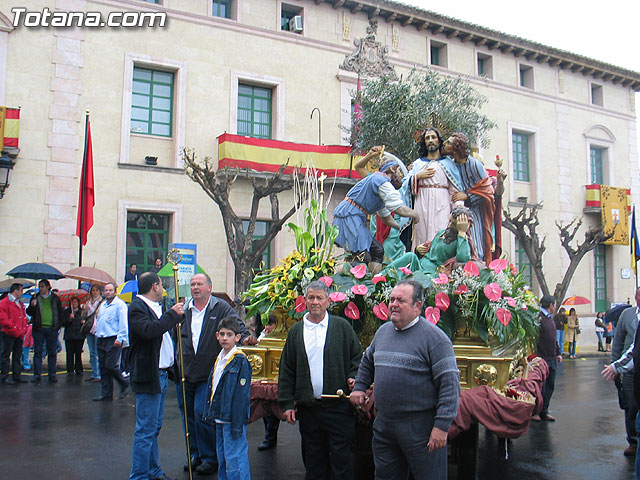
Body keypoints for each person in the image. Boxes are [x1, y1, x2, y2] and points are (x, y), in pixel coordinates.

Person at [351, 280, 460, 480]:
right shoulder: (383, 332)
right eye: (391, 299)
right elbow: (367, 362)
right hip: (384, 424)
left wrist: (441, 426)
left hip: (421, 427)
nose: (393, 304)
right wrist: (359, 387)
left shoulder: (436, 339)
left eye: (400, 300)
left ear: (417, 306)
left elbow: (449, 385)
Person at [278, 280, 362, 480]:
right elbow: (287, 369)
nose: (315, 302)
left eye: (319, 298)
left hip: (339, 408)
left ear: (328, 301)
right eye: (311, 297)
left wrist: (354, 377)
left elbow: (358, 358)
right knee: (314, 463)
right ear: (305, 301)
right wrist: (287, 404)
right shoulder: (296, 332)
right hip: (310, 410)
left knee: (341, 463)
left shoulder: (342, 327)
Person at [177, 273, 256, 476]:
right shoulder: (184, 308)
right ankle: (194, 453)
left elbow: (236, 324)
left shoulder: (219, 307)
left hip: (208, 373)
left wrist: (246, 338)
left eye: (199, 284)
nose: (195, 288)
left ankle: (209, 457)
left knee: (203, 414)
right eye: (193, 284)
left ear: (209, 287)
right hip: (185, 371)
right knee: (188, 415)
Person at [128, 272, 184, 480]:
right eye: (161, 285)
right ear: (154, 286)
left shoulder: (151, 307)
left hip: (159, 374)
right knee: (145, 429)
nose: (162, 289)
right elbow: (149, 331)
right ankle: (139, 475)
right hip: (147, 374)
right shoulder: (137, 308)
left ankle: (153, 470)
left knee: (154, 427)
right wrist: (171, 315)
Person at [333, 156, 420, 273]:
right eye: (399, 171)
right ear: (392, 169)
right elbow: (399, 209)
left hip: (352, 217)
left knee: (377, 251)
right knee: (361, 256)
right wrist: (415, 214)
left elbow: (386, 219)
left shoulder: (378, 185)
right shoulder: (382, 181)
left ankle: (374, 283)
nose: (401, 176)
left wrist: (401, 228)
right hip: (349, 216)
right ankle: (339, 281)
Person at [441, 132, 505, 264]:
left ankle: (477, 267)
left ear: (457, 147)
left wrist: (468, 196)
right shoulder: (450, 164)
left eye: (448, 143)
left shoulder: (475, 165)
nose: (444, 144)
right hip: (455, 210)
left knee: (475, 244)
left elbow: (488, 191)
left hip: (475, 211)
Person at [202, 316, 252, 480]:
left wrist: (238, 421)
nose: (225, 338)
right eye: (222, 334)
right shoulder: (220, 357)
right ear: (217, 335)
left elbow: (241, 395)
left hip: (232, 418)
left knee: (235, 459)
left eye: (229, 335)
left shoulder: (239, 360)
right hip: (220, 416)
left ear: (238, 337)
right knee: (223, 457)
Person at [403, 127, 464, 251]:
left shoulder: (449, 164)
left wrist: (459, 207)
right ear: (424, 142)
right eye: (427, 138)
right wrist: (417, 177)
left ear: (439, 141)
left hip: (442, 204)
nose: (430, 140)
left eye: (433, 137)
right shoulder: (417, 164)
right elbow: (404, 186)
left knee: (441, 232)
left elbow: (455, 190)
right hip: (422, 205)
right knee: (421, 236)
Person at [383, 206, 472, 279]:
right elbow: (430, 250)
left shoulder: (461, 240)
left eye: (453, 224)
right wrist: (419, 249)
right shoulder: (442, 232)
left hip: (431, 274)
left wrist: (462, 232)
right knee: (410, 256)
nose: (449, 225)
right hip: (420, 266)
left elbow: (463, 258)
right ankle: (383, 275)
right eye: (449, 221)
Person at [611, 289, 640, 456]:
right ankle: (633, 440)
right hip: (629, 372)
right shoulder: (627, 315)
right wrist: (614, 365)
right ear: (636, 297)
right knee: (631, 406)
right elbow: (618, 341)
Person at [93, 282, 130, 401]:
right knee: (103, 367)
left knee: (110, 365)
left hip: (113, 338)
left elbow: (123, 323)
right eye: (106, 290)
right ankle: (106, 393)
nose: (107, 292)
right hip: (102, 338)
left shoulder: (120, 305)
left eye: (110, 290)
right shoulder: (103, 305)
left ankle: (123, 383)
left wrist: (120, 338)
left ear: (115, 291)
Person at [26, 279, 66, 384]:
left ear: (48, 287)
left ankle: (52, 374)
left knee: (52, 352)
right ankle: (36, 375)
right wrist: (32, 306)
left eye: (43, 286)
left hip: (52, 328)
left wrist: (58, 325)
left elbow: (59, 312)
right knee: (38, 352)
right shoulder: (35, 297)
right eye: (40, 286)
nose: (41, 288)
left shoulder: (55, 298)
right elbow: (29, 312)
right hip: (39, 328)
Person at [532, 294, 563, 422]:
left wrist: (558, 353)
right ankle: (535, 412)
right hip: (542, 358)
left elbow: (553, 338)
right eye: (554, 304)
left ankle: (545, 410)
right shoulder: (538, 318)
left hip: (551, 358)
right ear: (551, 305)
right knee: (540, 387)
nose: (555, 306)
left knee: (550, 386)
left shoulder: (550, 319)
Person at [257, 314, 279, 451]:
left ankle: (270, 436)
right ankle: (269, 436)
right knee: (267, 409)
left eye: (270, 324)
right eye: (265, 324)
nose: (267, 327)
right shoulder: (263, 336)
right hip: (267, 377)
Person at [0, 283, 27, 384]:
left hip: (18, 333)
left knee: (17, 355)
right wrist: (14, 328)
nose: (22, 293)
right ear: (16, 291)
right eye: (21, 291)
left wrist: (23, 329)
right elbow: (3, 319)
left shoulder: (19, 303)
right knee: (6, 355)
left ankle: (17, 376)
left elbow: (23, 317)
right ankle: (4, 376)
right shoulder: (4, 302)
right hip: (9, 333)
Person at [83, 284, 103, 383]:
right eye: (93, 290)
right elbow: (85, 316)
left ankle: (99, 374)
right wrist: (85, 309)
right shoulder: (88, 302)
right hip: (90, 328)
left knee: (97, 352)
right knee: (92, 352)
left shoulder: (102, 302)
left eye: (96, 290)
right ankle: (94, 373)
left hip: (98, 328)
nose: (94, 292)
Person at [62, 297, 85, 376]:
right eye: (72, 302)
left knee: (78, 353)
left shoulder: (81, 312)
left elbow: (86, 321)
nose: (74, 303)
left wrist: (83, 323)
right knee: (70, 353)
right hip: (69, 335)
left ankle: (79, 369)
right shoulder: (66, 312)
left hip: (79, 335)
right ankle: (70, 369)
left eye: (76, 302)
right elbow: (63, 323)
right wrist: (69, 319)